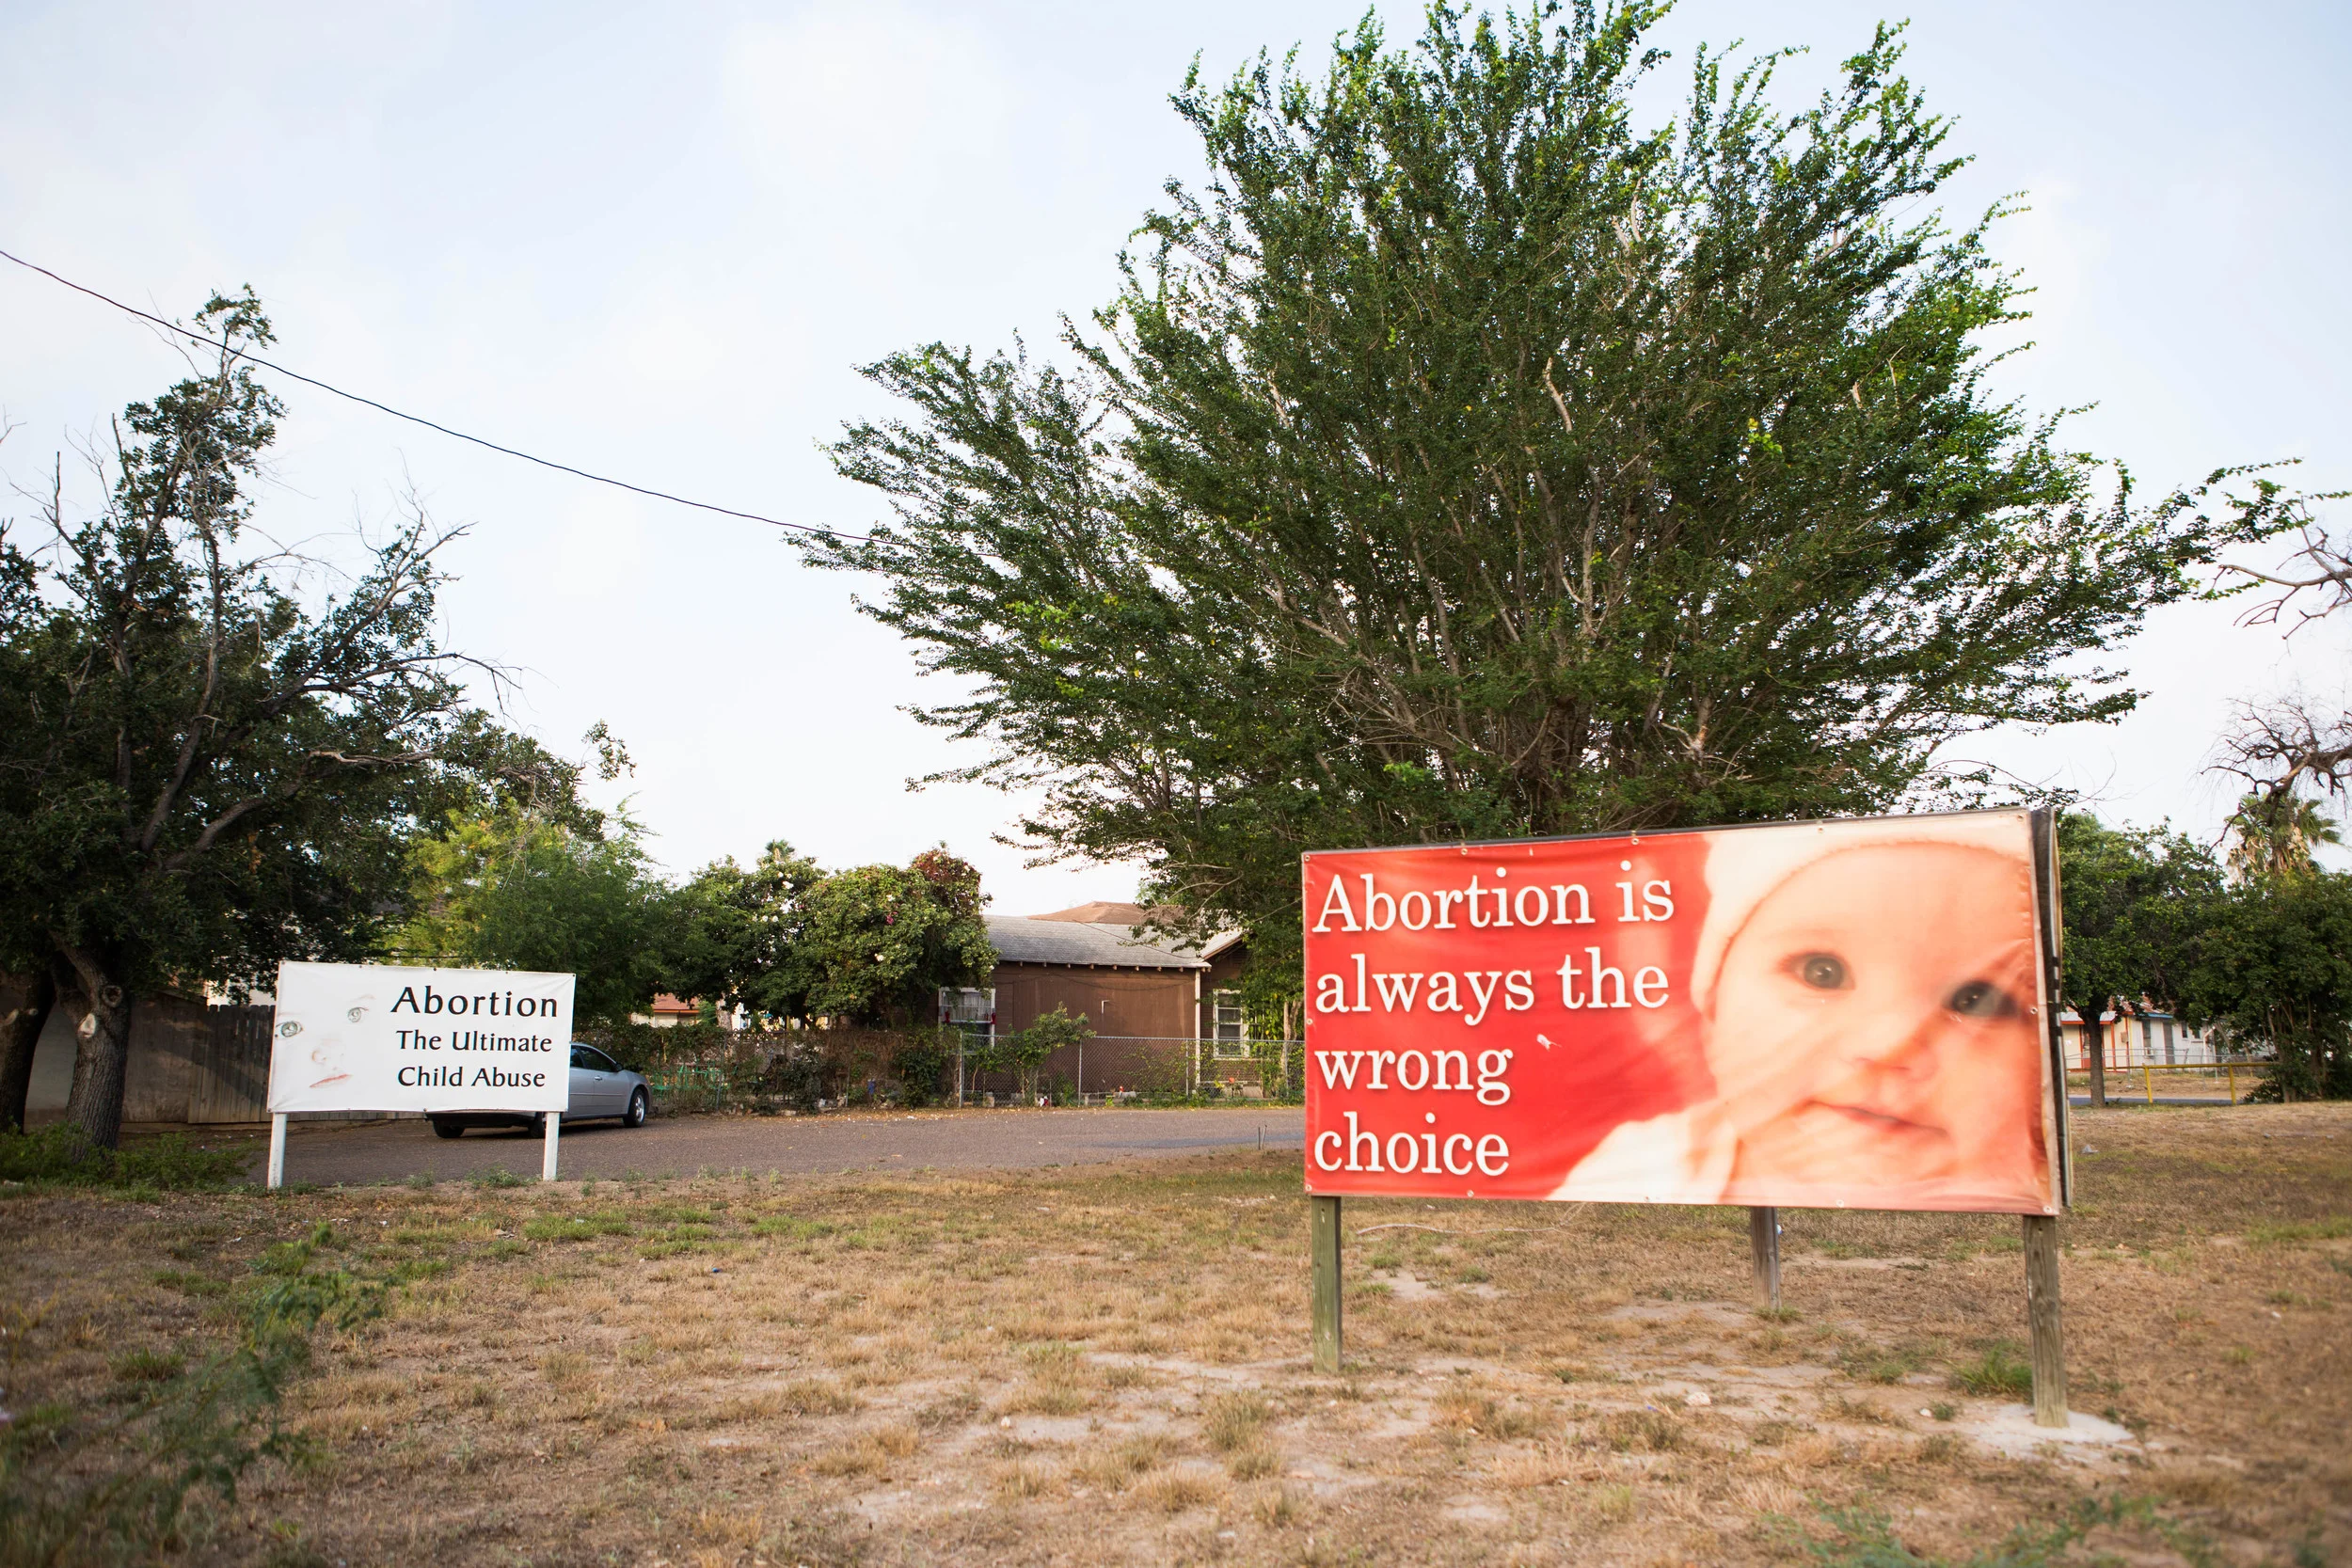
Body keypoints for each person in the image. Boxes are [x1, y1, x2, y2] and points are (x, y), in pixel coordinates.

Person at [1553, 815, 2057, 1212]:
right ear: (1711, 1016)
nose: (1889, 1044)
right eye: (1822, 973)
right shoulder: (1646, 1163)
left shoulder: (2020, 1186)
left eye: (1976, 999)